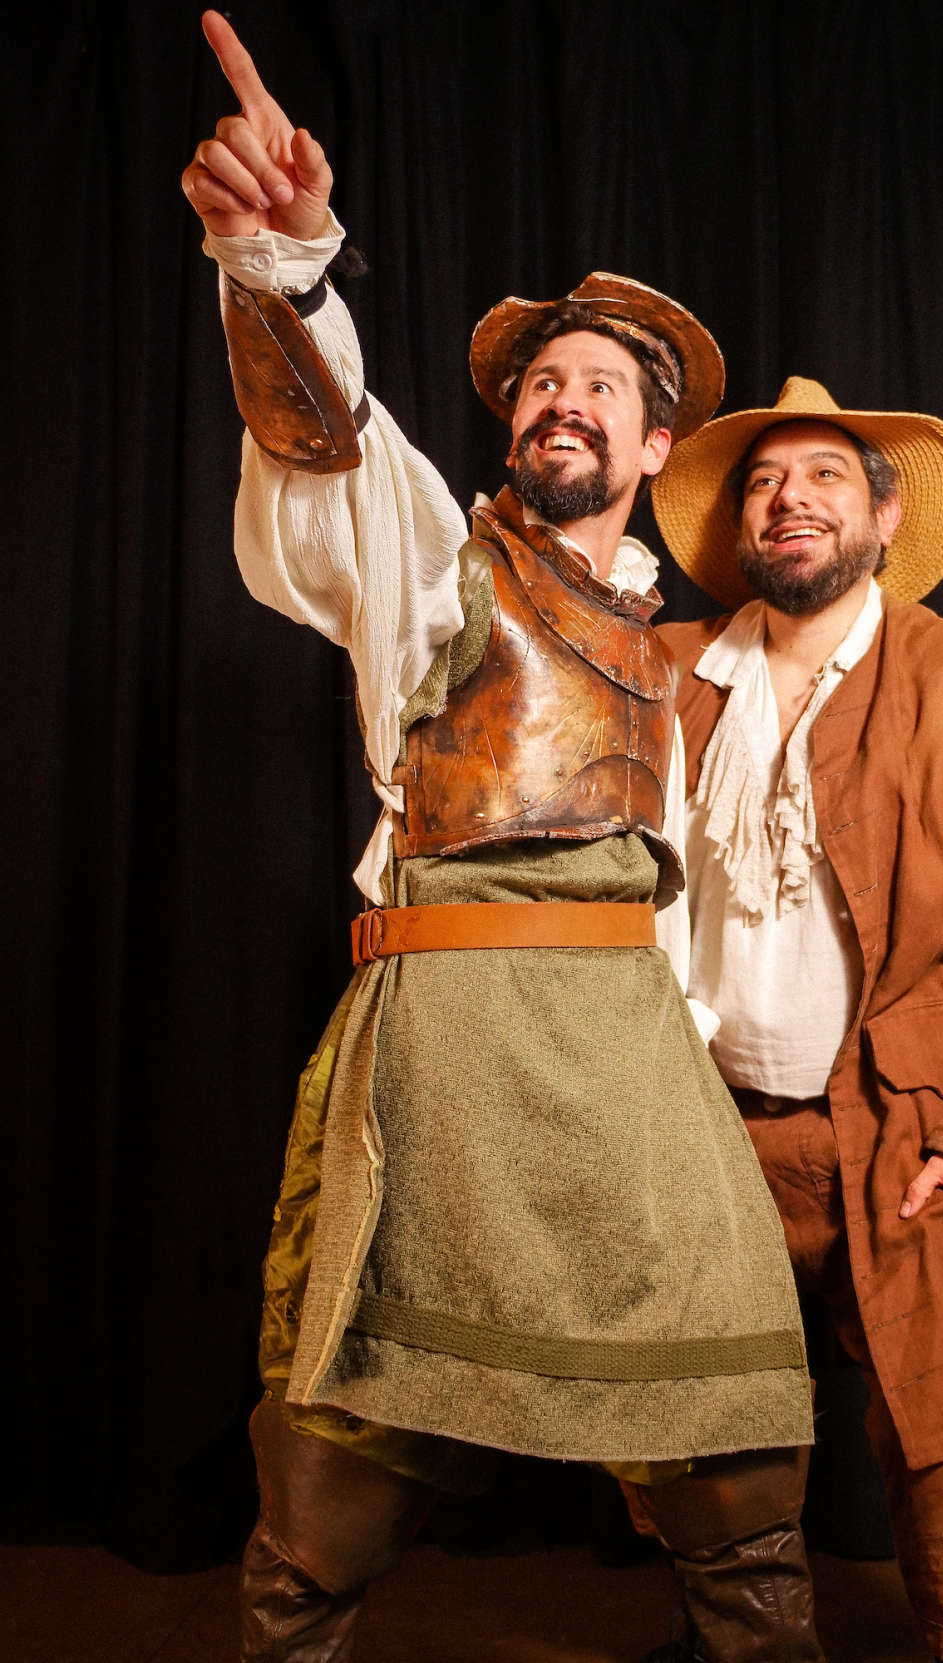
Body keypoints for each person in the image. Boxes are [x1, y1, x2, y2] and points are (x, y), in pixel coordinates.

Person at [182, 13, 819, 1662]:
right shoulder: (436, 566)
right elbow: (326, 441)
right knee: (337, 1442)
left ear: (655, 445)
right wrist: (278, 260)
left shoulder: (673, 657)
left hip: (624, 1046)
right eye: (542, 378)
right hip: (446, 1031)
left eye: (601, 385)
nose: (562, 398)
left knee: (737, 1418)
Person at [651, 376, 943, 1663]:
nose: (790, 500)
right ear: (741, 526)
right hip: (708, 1127)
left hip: (904, 1130)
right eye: (766, 484)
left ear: (883, 516)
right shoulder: (667, 672)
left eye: (824, 477)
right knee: (707, 1428)